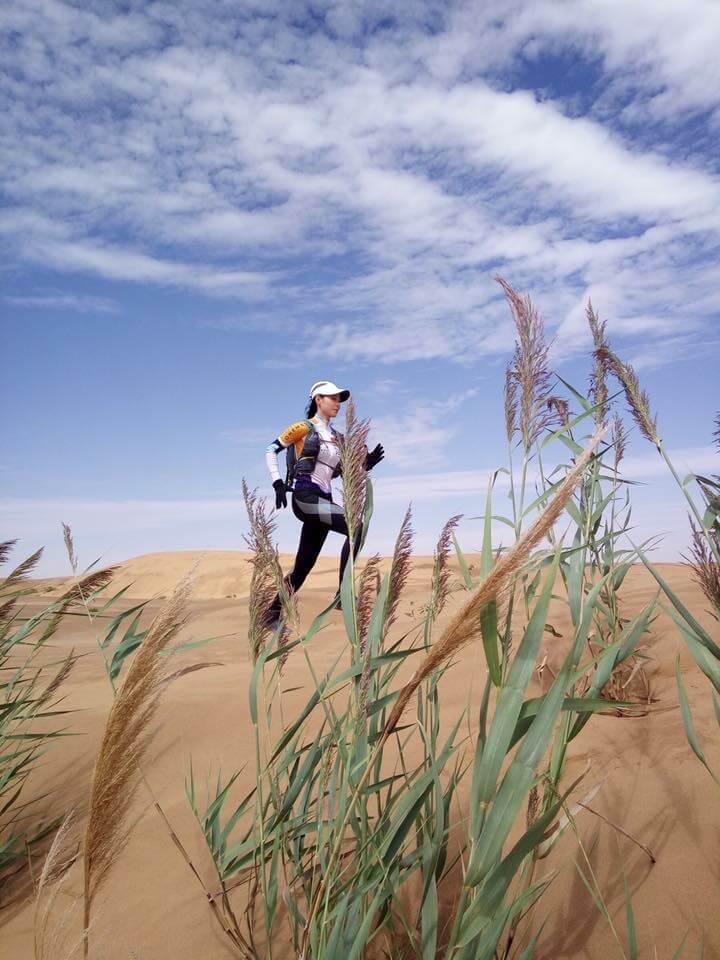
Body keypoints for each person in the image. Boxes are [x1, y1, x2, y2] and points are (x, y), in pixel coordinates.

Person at [263, 379, 384, 627]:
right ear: (319, 399)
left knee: (302, 569)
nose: (337, 403)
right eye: (333, 398)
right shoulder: (303, 427)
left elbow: (343, 469)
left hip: (324, 499)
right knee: (355, 526)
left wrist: (366, 463)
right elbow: (270, 449)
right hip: (305, 496)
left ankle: (271, 613)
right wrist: (277, 483)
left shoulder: (338, 437)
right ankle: (343, 595)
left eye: (340, 399)